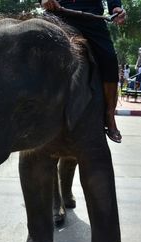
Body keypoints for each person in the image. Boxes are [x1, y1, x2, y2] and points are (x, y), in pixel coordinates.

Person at [42, 0, 126, 143]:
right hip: (57, 16)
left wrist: (115, 7)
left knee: (110, 59)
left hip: (91, 19)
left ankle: (109, 115)